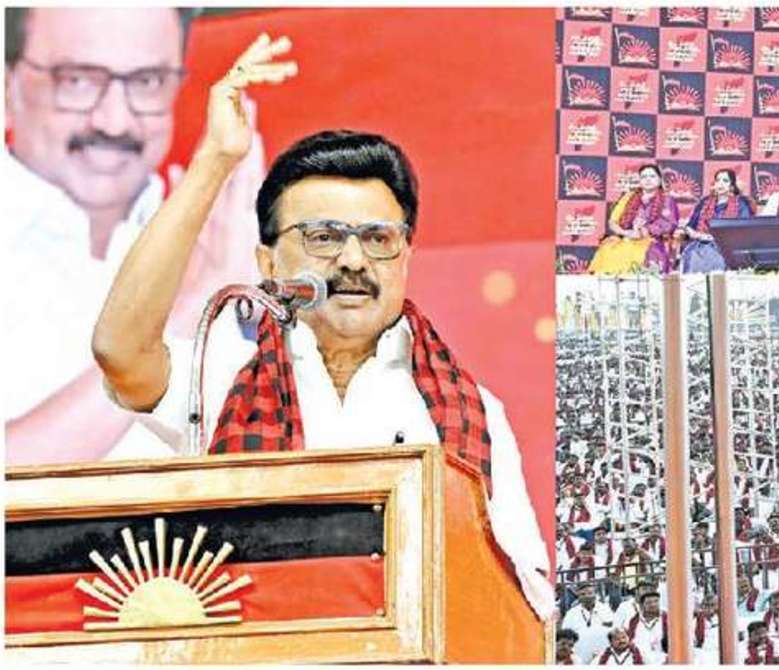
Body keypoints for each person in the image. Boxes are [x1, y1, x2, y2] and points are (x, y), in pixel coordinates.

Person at [85, 33, 553, 629]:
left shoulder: (472, 411)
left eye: (378, 239)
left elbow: (525, 601)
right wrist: (216, 161)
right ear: (267, 263)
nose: (353, 261)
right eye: (323, 238)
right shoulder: (219, 373)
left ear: (406, 256)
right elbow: (120, 350)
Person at [3, 7, 264, 462]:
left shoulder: (229, 238)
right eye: (77, 81)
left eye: (147, 82)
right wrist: (190, 306)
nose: (114, 121)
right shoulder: (208, 272)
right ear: (8, 86)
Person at [586, 167, 657, 275]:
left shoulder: (666, 200)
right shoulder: (629, 197)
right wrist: (625, 233)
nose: (648, 180)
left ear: (659, 179)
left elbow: (665, 225)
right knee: (609, 248)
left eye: (652, 176)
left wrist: (642, 232)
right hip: (626, 237)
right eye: (644, 177)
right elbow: (613, 222)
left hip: (650, 240)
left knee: (634, 251)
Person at [679, 167, 751, 272]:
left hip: (726, 247)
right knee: (693, 255)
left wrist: (716, 238)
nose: (720, 184)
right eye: (718, 180)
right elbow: (690, 226)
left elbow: (744, 229)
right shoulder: (705, 202)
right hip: (700, 244)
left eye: (725, 181)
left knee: (719, 258)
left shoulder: (740, 204)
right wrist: (696, 235)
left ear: (731, 186)